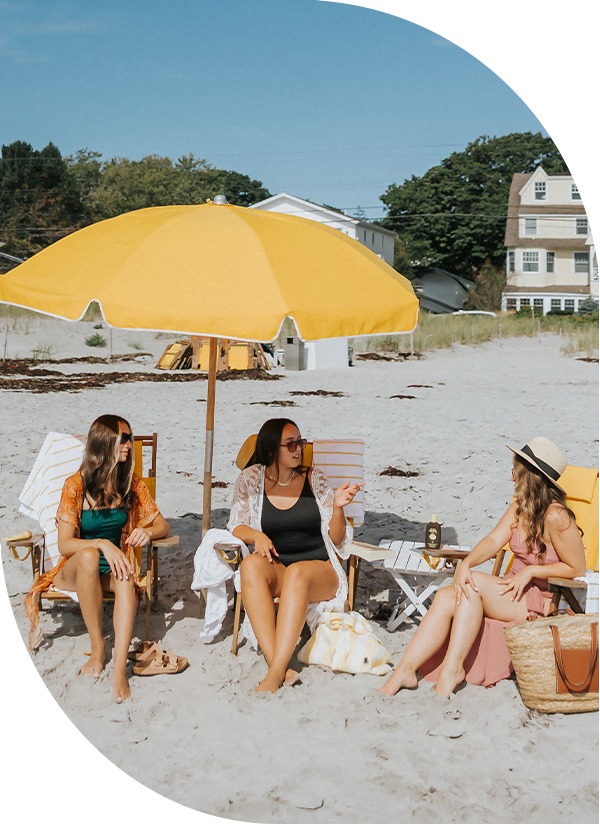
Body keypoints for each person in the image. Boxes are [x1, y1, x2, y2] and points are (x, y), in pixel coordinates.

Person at [379, 436, 586, 699]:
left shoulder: (557, 517)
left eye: (516, 471)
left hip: (541, 600)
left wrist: (532, 571)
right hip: (513, 590)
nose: (512, 477)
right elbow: (493, 540)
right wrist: (466, 563)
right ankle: (404, 671)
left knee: (472, 586)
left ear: (530, 476)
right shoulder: (520, 507)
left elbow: (576, 567)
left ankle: (452, 671)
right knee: (445, 596)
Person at [25, 414, 170, 703]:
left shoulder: (129, 484)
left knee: (127, 577)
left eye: (130, 437)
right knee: (90, 555)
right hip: (75, 570)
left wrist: (146, 532)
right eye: (124, 438)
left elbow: (163, 525)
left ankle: (118, 669)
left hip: (111, 572)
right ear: (105, 443)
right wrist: (103, 543)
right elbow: (65, 544)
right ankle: (97, 648)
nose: (130, 444)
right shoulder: (75, 486)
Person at [228, 418, 362, 693]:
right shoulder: (251, 480)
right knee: (251, 566)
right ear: (270, 450)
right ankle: (279, 665)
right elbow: (235, 524)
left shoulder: (315, 480)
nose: (297, 449)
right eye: (290, 444)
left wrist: (337, 508)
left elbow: (337, 539)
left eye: (299, 442)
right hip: (278, 567)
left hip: (320, 570)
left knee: (297, 573)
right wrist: (257, 536)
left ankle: (274, 674)